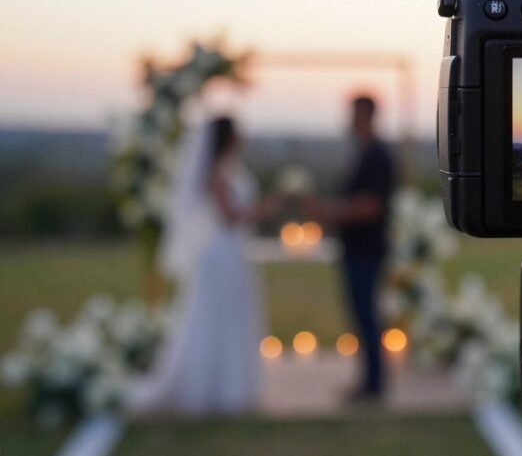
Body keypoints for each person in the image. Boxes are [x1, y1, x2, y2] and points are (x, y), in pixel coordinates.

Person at [131, 117, 280, 414]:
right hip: (221, 253)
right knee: (217, 316)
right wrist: (268, 208)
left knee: (229, 316)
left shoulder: (227, 169)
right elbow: (230, 216)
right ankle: (215, 387)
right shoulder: (217, 172)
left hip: (232, 252)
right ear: (228, 138)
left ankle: (231, 385)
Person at [307, 96, 394, 401]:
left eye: (354, 114)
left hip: (365, 250)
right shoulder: (365, 153)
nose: (349, 120)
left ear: (368, 115)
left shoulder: (377, 156)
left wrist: (330, 213)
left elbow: (370, 206)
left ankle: (373, 385)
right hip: (356, 248)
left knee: (367, 317)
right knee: (362, 316)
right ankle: (369, 381)